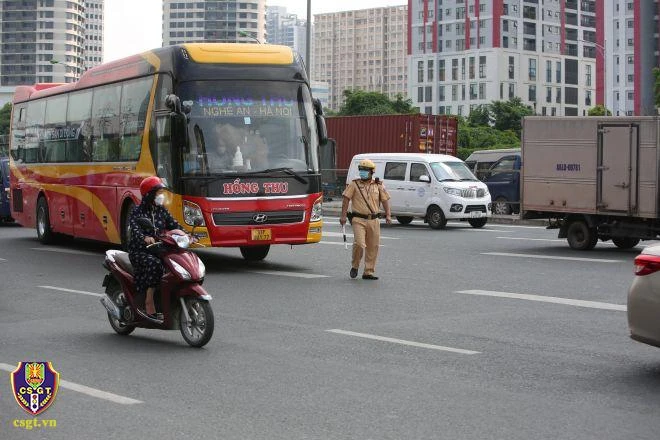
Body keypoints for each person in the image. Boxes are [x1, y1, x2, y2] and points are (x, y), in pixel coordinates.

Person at [128, 176, 186, 321]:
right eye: (157, 193)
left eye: (161, 192)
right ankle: (149, 301)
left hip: (159, 248)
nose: (161, 196)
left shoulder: (161, 210)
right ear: (149, 195)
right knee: (155, 264)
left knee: (176, 263)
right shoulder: (137, 211)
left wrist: (188, 235)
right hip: (140, 250)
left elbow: (175, 225)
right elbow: (135, 229)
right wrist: (144, 237)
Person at [339, 159, 392, 280]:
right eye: (361, 170)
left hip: (374, 220)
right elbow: (346, 199)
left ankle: (368, 272)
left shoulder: (378, 185)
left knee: (373, 246)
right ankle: (355, 265)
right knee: (359, 243)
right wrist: (343, 216)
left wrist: (388, 215)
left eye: (365, 170)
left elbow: (385, 200)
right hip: (358, 219)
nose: (362, 172)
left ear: (372, 172)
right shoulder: (354, 184)